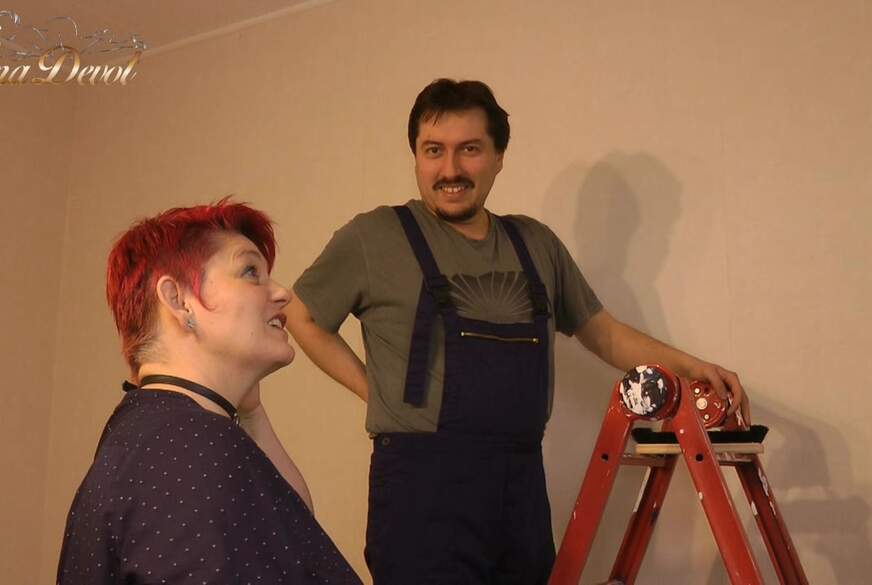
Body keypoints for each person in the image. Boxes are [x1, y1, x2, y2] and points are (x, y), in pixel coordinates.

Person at [287, 79, 749, 585]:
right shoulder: (375, 236)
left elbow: (604, 333)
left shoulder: (535, 244)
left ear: (499, 157)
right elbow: (302, 316)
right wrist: (376, 393)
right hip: (421, 491)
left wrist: (693, 367)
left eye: (470, 149)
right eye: (433, 150)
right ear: (415, 155)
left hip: (520, 486)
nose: (450, 169)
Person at [57, 200, 362, 585]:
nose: (282, 293)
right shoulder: (192, 445)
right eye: (250, 271)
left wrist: (251, 412)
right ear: (178, 300)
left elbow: (293, 533)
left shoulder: (150, 435)